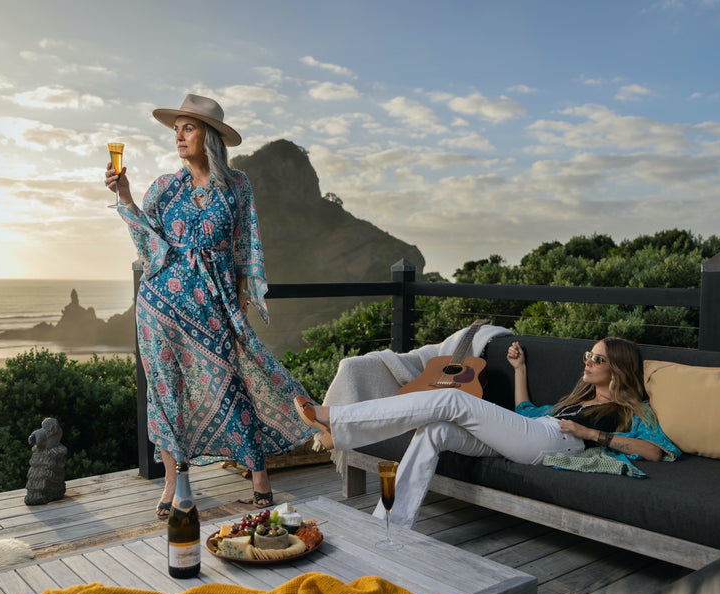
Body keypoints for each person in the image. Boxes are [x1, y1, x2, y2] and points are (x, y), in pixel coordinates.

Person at [105, 93, 314, 518]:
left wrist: (239, 301)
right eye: (176, 129)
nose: (179, 137)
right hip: (160, 305)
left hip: (212, 305)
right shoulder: (164, 187)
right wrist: (124, 195)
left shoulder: (237, 187)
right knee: (166, 393)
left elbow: (244, 248)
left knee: (230, 385)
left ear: (210, 136)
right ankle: (172, 485)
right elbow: (147, 241)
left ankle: (259, 476)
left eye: (189, 128)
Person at [294, 336, 679, 528]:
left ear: (619, 369)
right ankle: (389, 525)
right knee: (436, 429)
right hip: (533, 431)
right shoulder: (579, 397)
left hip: (555, 442)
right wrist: (520, 369)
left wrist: (593, 435)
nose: (588, 362)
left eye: (598, 359)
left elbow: (655, 452)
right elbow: (527, 412)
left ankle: (335, 418)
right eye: (588, 356)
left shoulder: (631, 410)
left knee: (451, 400)